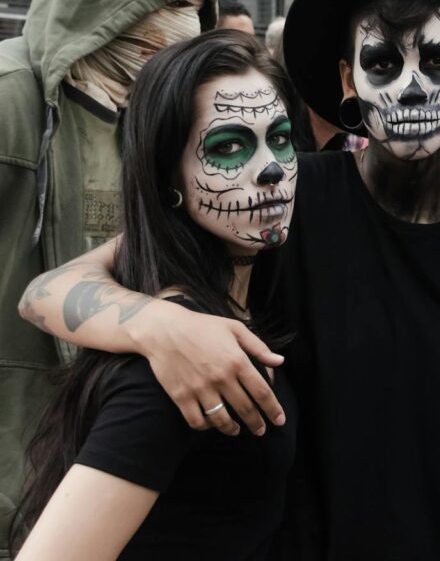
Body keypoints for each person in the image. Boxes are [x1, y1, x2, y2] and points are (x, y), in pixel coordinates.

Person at [18, 0, 440, 560]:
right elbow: (46, 293)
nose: (414, 89)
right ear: (347, 82)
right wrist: (159, 326)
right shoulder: (284, 203)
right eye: (384, 64)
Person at [13, 31, 299, 560]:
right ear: (169, 176)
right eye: (229, 146)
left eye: (280, 138)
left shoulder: (244, 291)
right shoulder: (171, 370)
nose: (272, 170)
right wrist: (162, 325)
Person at [0, 0, 217, 555]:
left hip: (108, 468)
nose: (184, 24)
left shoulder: (157, 117)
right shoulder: (10, 100)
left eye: (194, 5)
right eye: (165, 1)